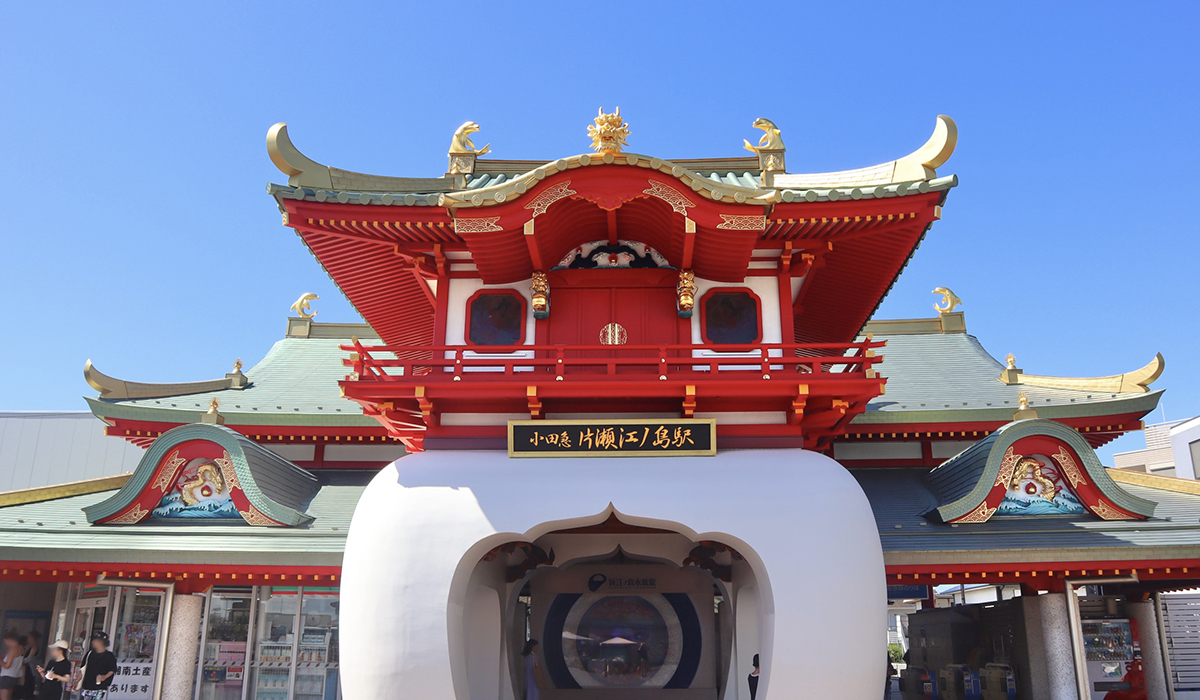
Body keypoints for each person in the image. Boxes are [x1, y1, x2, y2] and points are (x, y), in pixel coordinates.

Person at [75, 632, 115, 700]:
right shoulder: (89, 654)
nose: (93, 642)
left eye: (95, 640)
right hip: (87, 685)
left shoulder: (109, 655)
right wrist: (77, 680)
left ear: (101, 642)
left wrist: (104, 677)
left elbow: (112, 669)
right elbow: (82, 669)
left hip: (100, 686)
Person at [0, 632, 24, 700]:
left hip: (7, 676)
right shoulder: (21, 647)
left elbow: (7, 665)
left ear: (9, 640)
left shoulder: (13, 649)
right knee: (9, 696)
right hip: (15, 675)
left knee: (4, 697)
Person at [21, 631, 42, 700]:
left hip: (31, 669)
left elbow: (30, 657)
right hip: (28, 668)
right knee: (27, 682)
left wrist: (22, 661)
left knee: (29, 684)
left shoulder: (35, 647)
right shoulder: (31, 647)